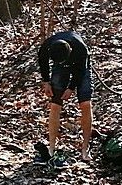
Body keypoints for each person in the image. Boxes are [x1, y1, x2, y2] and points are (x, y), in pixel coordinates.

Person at [36, 30, 93, 163]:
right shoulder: (47, 46)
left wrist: (71, 88)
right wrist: (46, 81)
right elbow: (42, 62)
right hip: (60, 68)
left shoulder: (80, 49)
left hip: (80, 67)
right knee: (55, 104)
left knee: (85, 103)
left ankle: (85, 147)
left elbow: (80, 72)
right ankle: (51, 149)